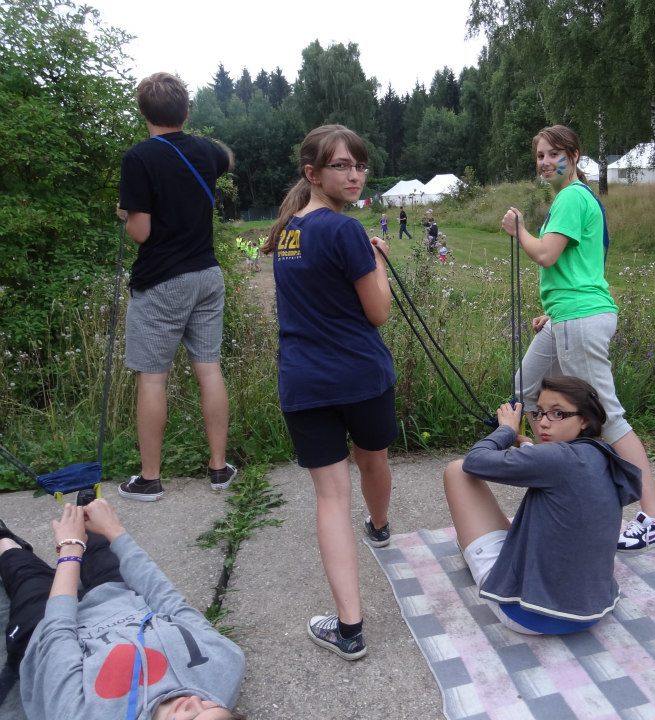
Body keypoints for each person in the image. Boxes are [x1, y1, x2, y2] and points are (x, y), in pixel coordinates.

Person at [499, 124, 655, 552]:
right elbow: (578, 266)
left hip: (581, 318)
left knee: (607, 417)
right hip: (566, 316)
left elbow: (546, 254)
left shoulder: (572, 197)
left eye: (552, 153)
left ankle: (654, 519)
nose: (544, 162)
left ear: (573, 155)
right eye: (539, 155)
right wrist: (554, 311)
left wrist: (519, 229)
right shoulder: (574, 198)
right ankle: (557, 482)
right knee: (526, 390)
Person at [261, 124, 395, 661]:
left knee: (330, 497)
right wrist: (378, 260)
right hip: (361, 375)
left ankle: (350, 629)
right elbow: (378, 312)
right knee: (373, 457)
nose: (355, 174)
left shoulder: (286, 232)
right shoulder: (346, 231)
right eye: (341, 165)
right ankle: (380, 527)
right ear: (313, 173)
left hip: (305, 379)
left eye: (359, 164)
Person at [0, 499, 245, 719]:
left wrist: (70, 548)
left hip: (44, 629)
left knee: (22, 570)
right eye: (211, 707)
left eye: (191, 718)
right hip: (120, 598)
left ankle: (7, 542)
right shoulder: (227, 664)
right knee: (100, 541)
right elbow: (168, 600)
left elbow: (57, 633)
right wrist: (115, 531)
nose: (194, 701)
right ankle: (86, 510)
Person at [117, 72, 237, 501]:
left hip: (162, 281)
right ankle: (219, 468)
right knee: (209, 368)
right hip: (207, 275)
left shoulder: (138, 158)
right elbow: (227, 157)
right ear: (186, 110)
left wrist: (125, 214)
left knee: (153, 379)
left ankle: (150, 478)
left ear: (143, 113)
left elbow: (141, 232)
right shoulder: (207, 151)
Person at [443, 376, 642, 634]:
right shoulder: (603, 454)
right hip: (592, 610)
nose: (543, 423)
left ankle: (470, 551)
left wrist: (506, 430)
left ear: (584, 419)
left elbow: (475, 461)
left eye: (558, 413)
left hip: (527, 615)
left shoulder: (556, 459)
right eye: (539, 413)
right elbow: (558, 468)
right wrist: (528, 446)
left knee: (457, 471)